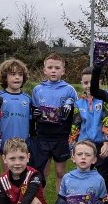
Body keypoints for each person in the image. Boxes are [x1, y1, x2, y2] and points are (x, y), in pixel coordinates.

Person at [29, 53, 77, 188]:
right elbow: (33, 111)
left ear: (63, 70)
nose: (53, 70)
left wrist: (70, 106)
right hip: (43, 136)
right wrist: (36, 113)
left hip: (61, 136)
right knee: (42, 173)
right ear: (45, 70)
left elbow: (77, 114)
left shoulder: (69, 89)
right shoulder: (38, 89)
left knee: (60, 172)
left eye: (57, 68)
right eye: (50, 67)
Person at [69, 66, 108, 185]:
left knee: (102, 177)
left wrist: (106, 143)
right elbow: (75, 126)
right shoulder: (78, 103)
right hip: (84, 145)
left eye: (91, 82)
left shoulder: (104, 101)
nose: (88, 86)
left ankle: (103, 202)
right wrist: (72, 146)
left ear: (98, 82)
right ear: (82, 83)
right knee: (83, 175)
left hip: (100, 146)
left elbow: (107, 122)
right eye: (86, 83)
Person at [0, 58, 31, 174]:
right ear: (5, 77)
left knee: (23, 174)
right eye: (12, 74)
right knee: (7, 173)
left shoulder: (27, 98)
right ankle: (5, 192)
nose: (17, 77)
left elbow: (32, 122)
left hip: (23, 143)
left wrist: (32, 139)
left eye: (20, 74)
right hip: (5, 143)